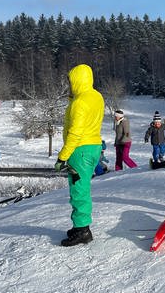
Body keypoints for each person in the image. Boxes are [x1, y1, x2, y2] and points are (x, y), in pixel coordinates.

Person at [55, 64, 105, 247]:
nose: (69, 84)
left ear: (76, 80)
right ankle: (79, 226)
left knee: (79, 190)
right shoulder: (96, 97)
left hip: (80, 150)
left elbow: (75, 133)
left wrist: (62, 156)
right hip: (93, 147)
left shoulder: (79, 102)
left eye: (70, 81)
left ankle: (83, 230)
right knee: (82, 187)